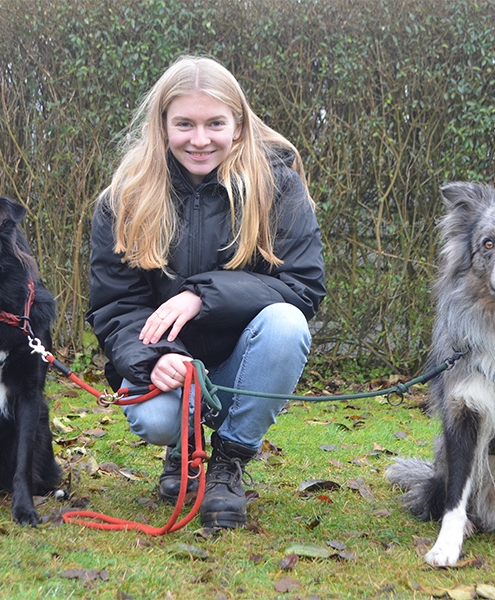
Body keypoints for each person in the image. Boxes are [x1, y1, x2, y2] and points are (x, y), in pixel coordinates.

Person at [87, 55, 325, 529]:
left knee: (286, 324)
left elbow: (302, 287)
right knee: (155, 418)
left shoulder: (278, 183)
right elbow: (115, 306)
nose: (200, 139)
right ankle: (181, 449)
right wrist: (155, 358)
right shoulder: (124, 196)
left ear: (238, 124)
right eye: (184, 124)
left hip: (242, 359)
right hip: (167, 363)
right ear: (162, 126)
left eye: (215, 123)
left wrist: (200, 294)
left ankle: (226, 464)